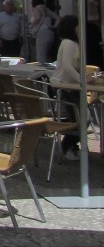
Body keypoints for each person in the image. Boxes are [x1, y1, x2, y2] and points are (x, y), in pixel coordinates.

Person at [50, 14, 83, 159]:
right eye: (78, 26)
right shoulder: (69, 43)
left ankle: (70, 146)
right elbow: (68, 66)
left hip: (72, 86)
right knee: (81, 118)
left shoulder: (73, 43)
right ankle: (67, 146)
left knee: (79, 117)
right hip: (65, 86)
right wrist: (82, 80)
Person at [28, 0, 58, 64]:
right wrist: (53, 26)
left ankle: (43, 72)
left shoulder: (36, 9)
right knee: (47, 54)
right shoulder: (46, 9)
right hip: (50, 32)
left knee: (40, 56)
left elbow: (38, 18)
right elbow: (58, 18)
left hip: (41, 33)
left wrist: (31, 25)